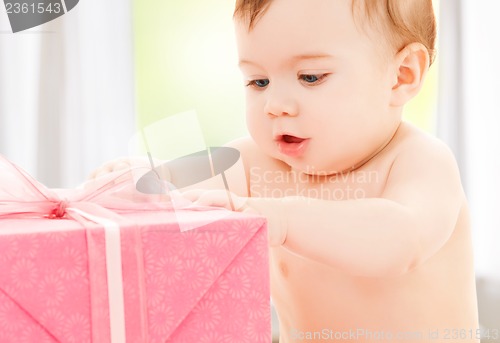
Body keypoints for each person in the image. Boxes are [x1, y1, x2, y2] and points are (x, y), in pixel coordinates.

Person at [91, 0, 480, 341]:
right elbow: (184, 187)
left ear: (402, 75)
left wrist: (282, 218)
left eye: (310, 77)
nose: (275, 105)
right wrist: (140, 179)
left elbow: (400, 240)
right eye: (258, 81)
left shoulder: (419, 161)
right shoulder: (257, 163)